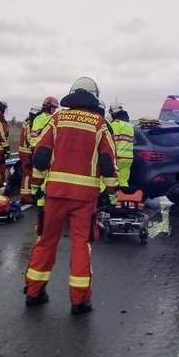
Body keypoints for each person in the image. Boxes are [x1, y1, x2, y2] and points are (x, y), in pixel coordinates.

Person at [24, 76, 118, 315]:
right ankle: (80, 300)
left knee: (46, 241)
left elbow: (41, 155)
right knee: (80, 244)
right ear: (94, 97)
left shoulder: (57, 119)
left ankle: (34, 292)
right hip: (84, 197)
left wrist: (35, 185)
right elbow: (108, 162)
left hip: (55, 193)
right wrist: (111, 189)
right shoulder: (99, 123)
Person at [29, 96, 60, 207]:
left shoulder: (37, 118)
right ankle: (43, 201)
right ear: (50, 107)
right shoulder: (50, 119)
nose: (55, 110)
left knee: (37, 173)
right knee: (47, 176)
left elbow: (33, 136)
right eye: (54, 108)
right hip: (46, 150)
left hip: (35, 149)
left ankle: (37, 197)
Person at [17, 105, 43, 204]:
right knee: (27, 174)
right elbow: (30, 139)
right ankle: (25, 196)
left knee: (30, 173)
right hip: (26, 152)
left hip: (28, 152)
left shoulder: (30, 122)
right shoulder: (29, 123)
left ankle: (30, 194)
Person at [108, 102, 135, 187]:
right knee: (123, 181)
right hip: (128, 158)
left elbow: (111, 141)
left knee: (111, 181)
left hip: (118, 158)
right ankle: (124, 199)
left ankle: (111, 199)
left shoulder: (116, 124)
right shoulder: (129, 126)